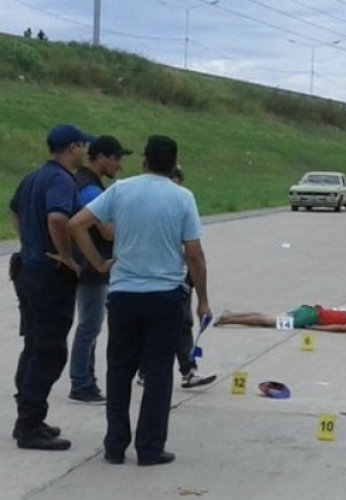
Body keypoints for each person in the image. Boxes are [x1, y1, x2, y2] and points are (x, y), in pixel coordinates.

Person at [69, 135, 211, 466]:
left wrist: (99, 263)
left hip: (124, 295)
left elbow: (77, 225)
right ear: (173, 164)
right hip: (164, 296)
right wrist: (202, 298)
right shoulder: (182, 197)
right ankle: (149, 447)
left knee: (119, 370)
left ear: (144, 160)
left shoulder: (121, 190)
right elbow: (195, 254)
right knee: (159, 373)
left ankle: (115, 445)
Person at [9, 123, 94, 450]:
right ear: (73, 147)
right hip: (49, 274)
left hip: (27, 269)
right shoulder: (60, 179)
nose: (85, 150)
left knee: (34, 345)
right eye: (83, 145)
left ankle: (29, 417)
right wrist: (65, 255)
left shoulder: (34, 176)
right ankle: (29, 426)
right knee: (50, 350)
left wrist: (28, 240)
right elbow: (58, 218)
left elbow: (14, 209)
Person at [136, 165, 216, 389]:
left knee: (183, 324)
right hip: (158, 277)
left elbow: (193, 250)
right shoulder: (153, 208)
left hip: (179, 276)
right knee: (156, 326)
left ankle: (188, 369)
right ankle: (146, 370)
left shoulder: (181, 204)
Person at [68, 135, 132, 404]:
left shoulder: (87, 183)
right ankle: (81, 383)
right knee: (90, 326)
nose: (119, 166)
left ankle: (86, 379)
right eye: (116, 159)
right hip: (92, 267)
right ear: (102, 157)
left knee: (90, 325)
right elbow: (105, 231)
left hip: (89, 265)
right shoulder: (90, 188)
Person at [215, 305, 346, 333]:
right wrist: (317, 328)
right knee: (266, 322)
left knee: (265, 317)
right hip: (309, 318)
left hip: (308, 310)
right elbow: (342, 328)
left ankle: (231, 314)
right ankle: (227, 319)